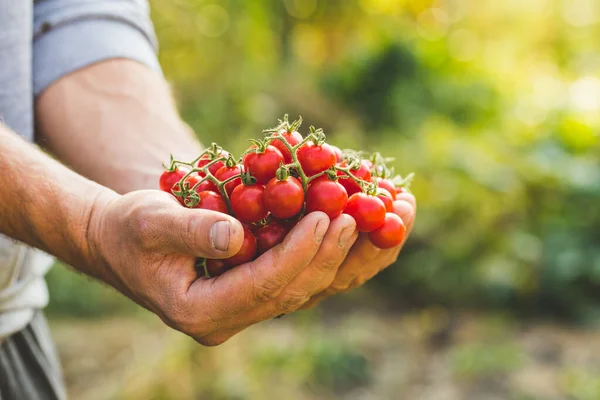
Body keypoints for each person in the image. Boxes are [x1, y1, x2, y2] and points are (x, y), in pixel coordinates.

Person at [0, 0, 416, 398]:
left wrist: (186, 188)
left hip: (14, 325)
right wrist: (90, 225)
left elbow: (74, 18)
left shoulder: (267, 180)